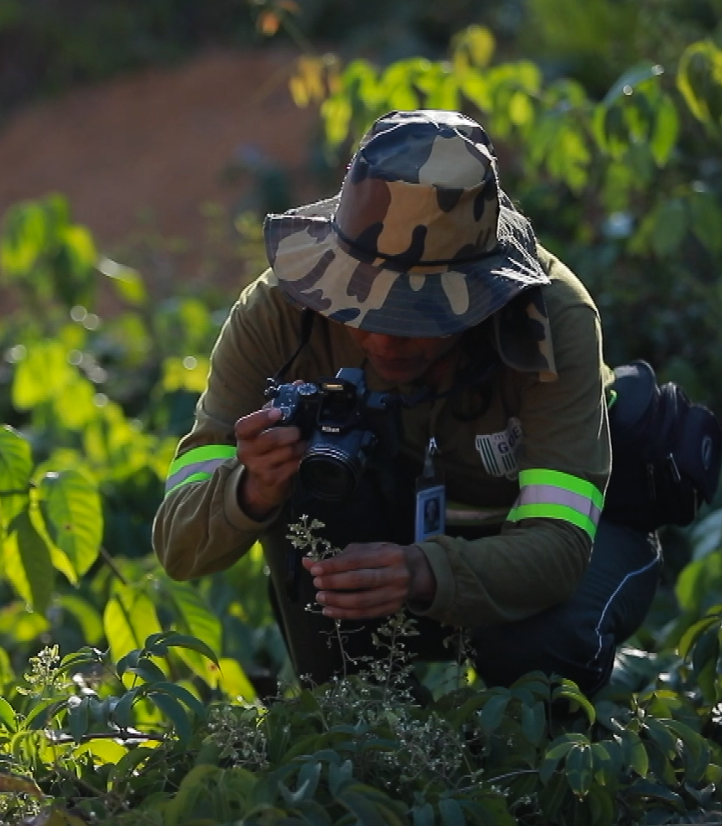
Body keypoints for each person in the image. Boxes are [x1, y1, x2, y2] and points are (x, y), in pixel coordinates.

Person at [153, 110, 663, 696]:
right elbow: (178, 546)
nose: (385, 339)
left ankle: (565, 744)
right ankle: (363, 725)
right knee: (308, 496)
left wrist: (423, 572)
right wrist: (251, 487)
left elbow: (560, 545)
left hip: (576, 539)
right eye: (361, 307)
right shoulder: (278, 315)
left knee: (535, 658)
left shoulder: (550, 319)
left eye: (419, 316)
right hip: (393, 541)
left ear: (483, 294)